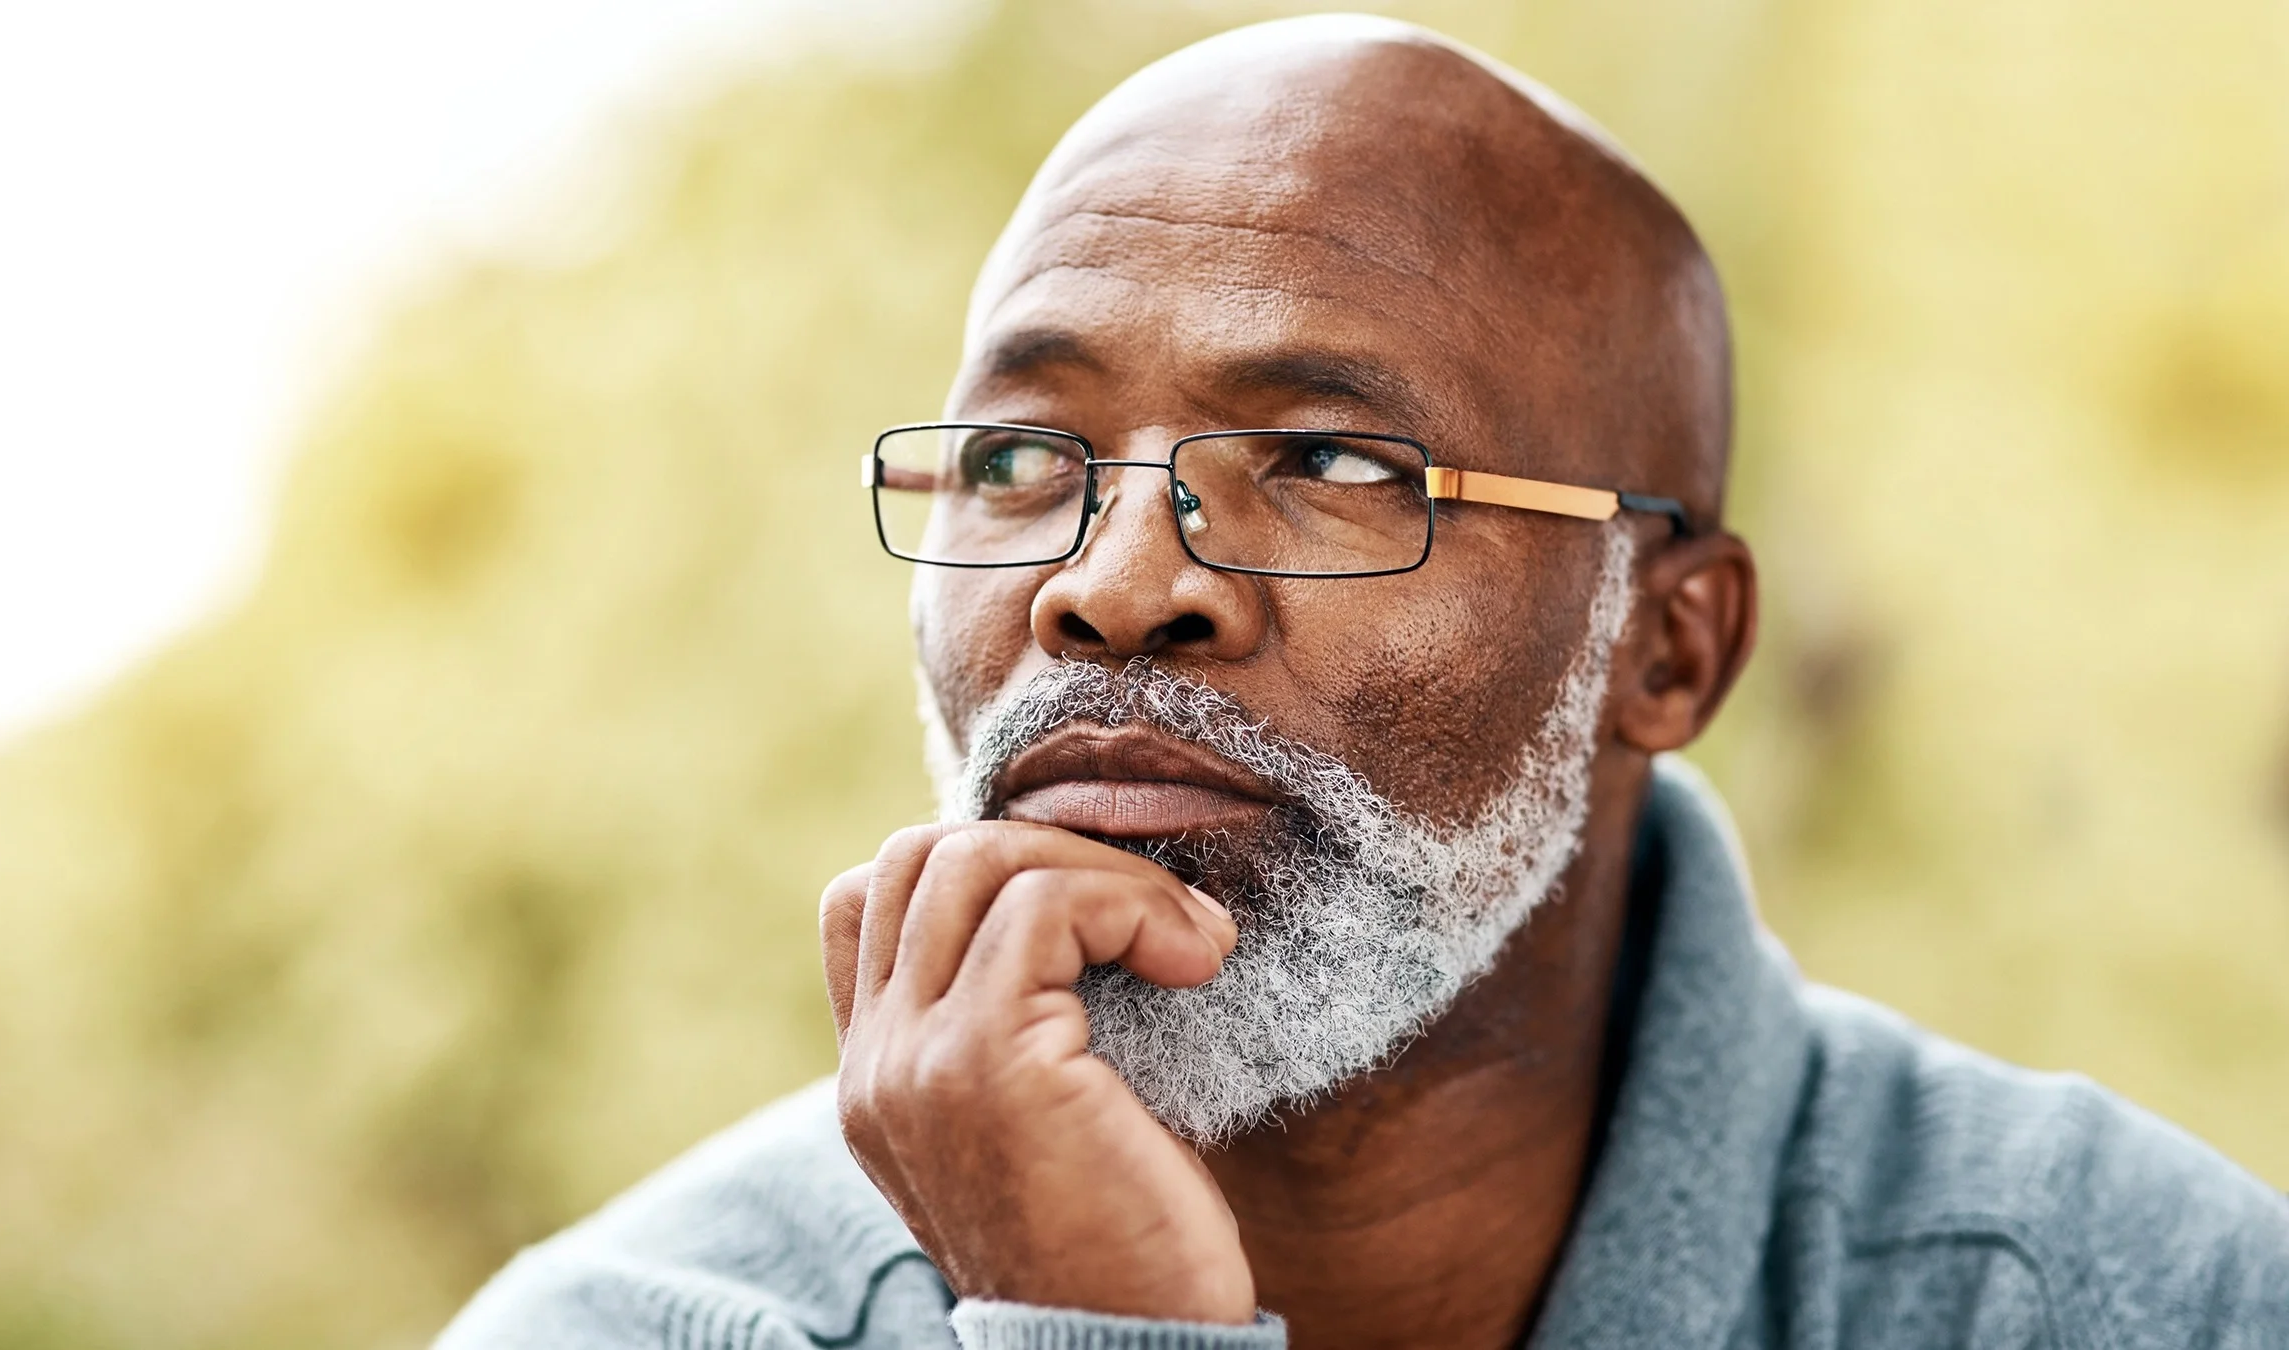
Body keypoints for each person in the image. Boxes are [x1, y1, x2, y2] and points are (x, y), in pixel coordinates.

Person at [437, 16, 2289, 1349]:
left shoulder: (2133, 1294)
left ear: (1671, 646)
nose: (1114, 584)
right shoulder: (643, 1324)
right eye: (1020, 462)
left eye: (1334, 464)